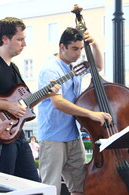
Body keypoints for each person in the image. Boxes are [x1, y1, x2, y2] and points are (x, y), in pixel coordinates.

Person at [0, 17, 60, 182]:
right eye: (20, 39)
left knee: (33, 185)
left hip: (16, 134)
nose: (24, 44)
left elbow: (24, 105)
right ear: (5, 39)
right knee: (3, 186)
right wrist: (8, 106)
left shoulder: (13, 68)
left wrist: (46, 94)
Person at [37, 27, 112, 195]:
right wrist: (90, 114)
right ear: (62, 47)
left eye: (80, 48)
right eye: (74, 49)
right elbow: (58, 102)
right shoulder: (51, 68)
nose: (79, 53)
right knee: (51, 189)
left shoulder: (73, 67)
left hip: (72, 135)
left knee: (81, 186)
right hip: (53, 137)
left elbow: (98, 66)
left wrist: (95, 45)